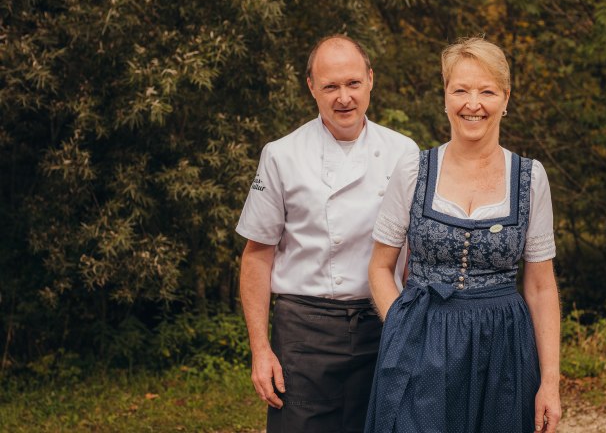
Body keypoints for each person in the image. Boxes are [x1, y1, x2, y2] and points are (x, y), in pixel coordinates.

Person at [364, 37, 562, 433]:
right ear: (445, 97)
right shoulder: (413, 171)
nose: (473, 104)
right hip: (421, 344)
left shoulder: (530, 178)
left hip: (503, 351)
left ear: (505, 99)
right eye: (461, 90)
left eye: (487, 91)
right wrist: (404, 330)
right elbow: (380, 268)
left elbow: (540, 287)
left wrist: (550, 383)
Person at [236, 34, 419, 433]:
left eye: (353, 83)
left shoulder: (405, 153)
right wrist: (260, 349)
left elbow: (412, 255)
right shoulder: (281, 155)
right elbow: (256, 255)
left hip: (382, 323)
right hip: (305, 330)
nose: (344, 98)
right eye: (331, 86)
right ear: (311, 88)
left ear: (370, 79)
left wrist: (414, 330)